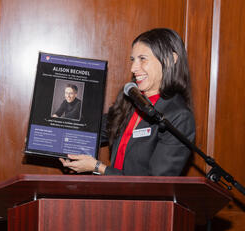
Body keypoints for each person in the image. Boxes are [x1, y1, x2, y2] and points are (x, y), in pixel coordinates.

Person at [60, 28, 195, 176]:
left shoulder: (179, 116)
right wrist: (47, 135)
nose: (133, 68)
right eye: (133, 60)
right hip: (111, 197)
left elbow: (155, 183)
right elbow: (92, 130)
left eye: (142, 59)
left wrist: (98, 167)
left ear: (170, 60)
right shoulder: (130, 100)